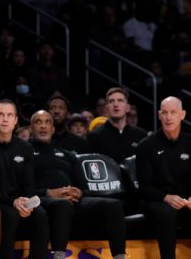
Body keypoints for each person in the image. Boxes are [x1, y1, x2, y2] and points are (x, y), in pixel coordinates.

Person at [29, 110, 127, 259]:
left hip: (71, 200)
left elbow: (82, 185)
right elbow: (23, 187)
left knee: (114, 205)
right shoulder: (25, 152)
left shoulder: (67, 155)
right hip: (41, 200)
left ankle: (120, 256)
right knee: (63, 205)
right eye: (38, 122)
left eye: (47, 122)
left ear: (53, 129)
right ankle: (59, 256)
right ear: (31, 128)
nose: (43, 126)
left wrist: (80, 192)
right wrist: (48, 193)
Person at [137, 96, 191, 259]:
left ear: (182, 115)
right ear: (159, 115)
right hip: (157, 201)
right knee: (168, 214)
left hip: (186, 201)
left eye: (173, 112)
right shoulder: (146, 146)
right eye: (164, 112)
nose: (169, 117)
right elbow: (144, 188)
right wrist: (166, 197)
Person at [0, 100, 48, 259]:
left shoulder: (25, 147)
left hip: (20, 200)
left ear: (15, 120)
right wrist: (13, 201)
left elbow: (29, 183)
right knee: (11, 215)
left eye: (9, 115)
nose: (5, 119)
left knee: (39, 214)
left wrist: (26, 202)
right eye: (0, 115)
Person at [86, 87, 147, 163]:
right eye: (111, 101)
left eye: (120, 100)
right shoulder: (95, 136)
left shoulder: (141, 135)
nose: (115, 104)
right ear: (106, 108)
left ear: (127, 108)